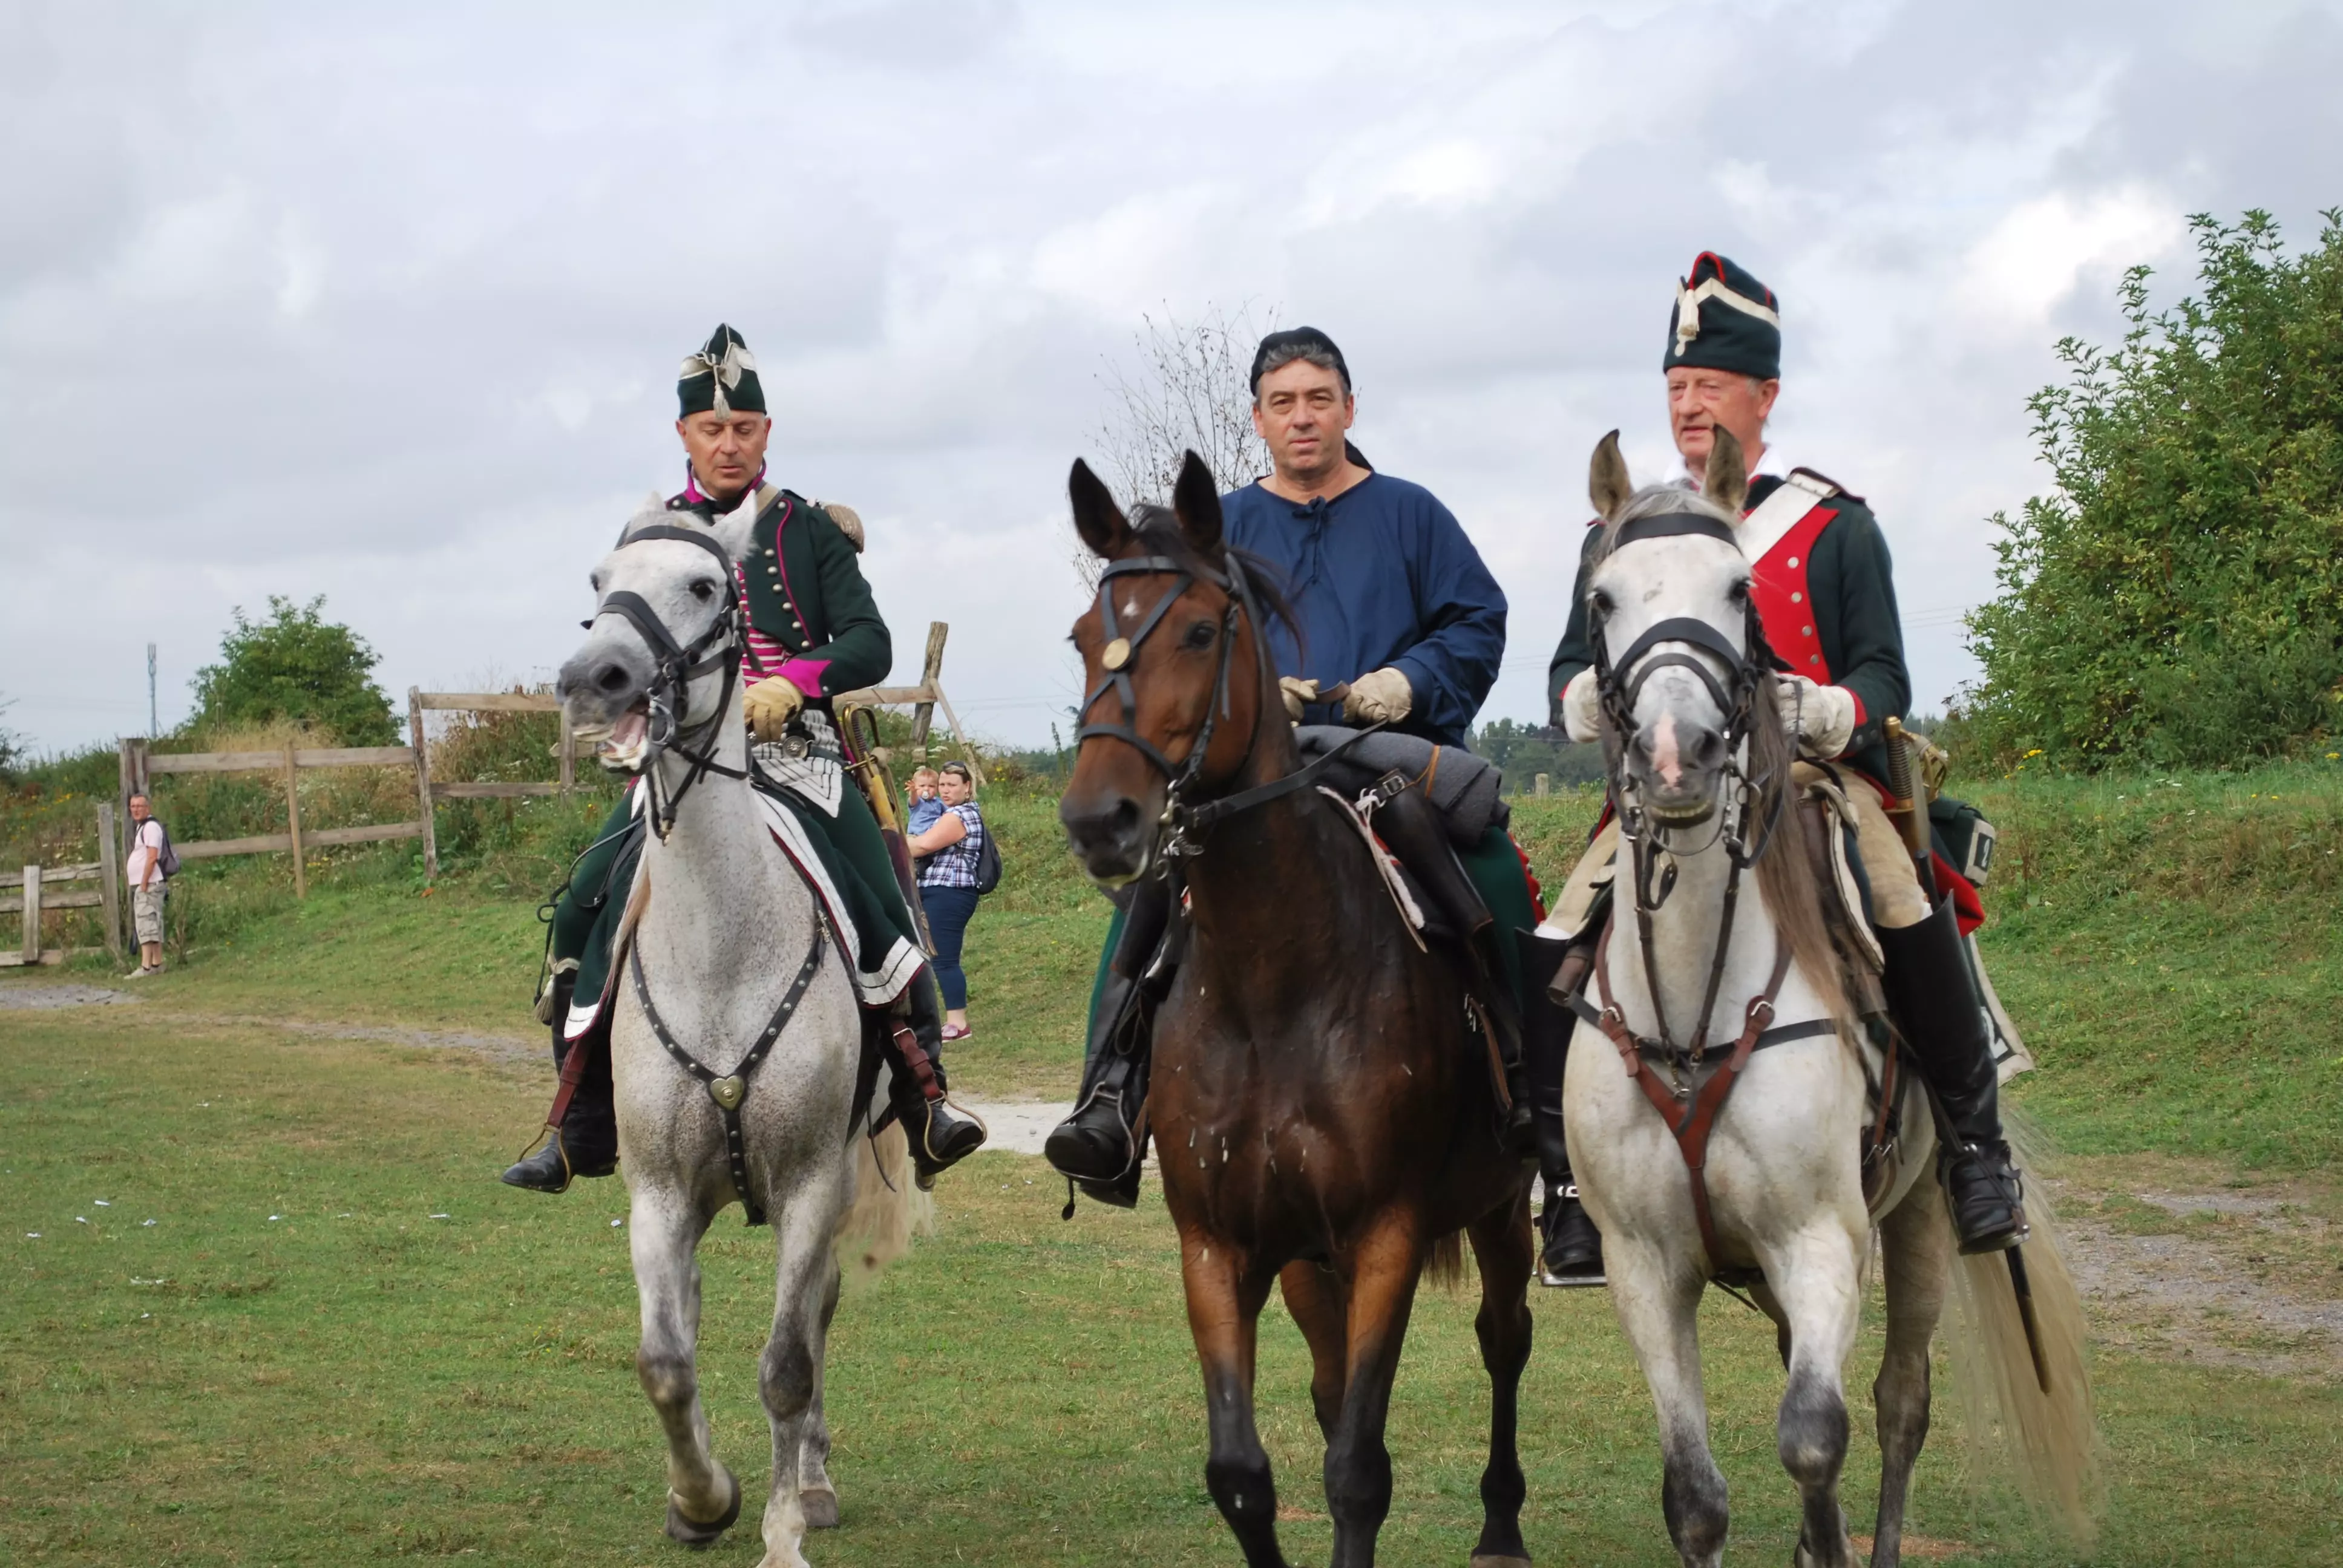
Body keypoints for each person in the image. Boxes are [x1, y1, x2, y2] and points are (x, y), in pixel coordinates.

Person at [1538, 253, 2026, 1269]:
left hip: (1812, 783)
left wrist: (1826, 708)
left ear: (1764, 394)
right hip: (1665, 791)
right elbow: (1567, 664)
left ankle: (1975, 1149)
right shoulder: (1627, 533)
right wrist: (1580, 696)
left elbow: (1885, 675)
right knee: (1557, 926)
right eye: (1676, 387)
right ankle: (1568, 1174)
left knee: (1899, 891)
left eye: (1709, 385)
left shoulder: (1832, 525)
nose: (1689, 404)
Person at [1046, 325, 1539, 1195]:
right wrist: (1247, 694)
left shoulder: (1413, 514)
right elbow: (1175, 642)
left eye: (1319, 400)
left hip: (1387, 751)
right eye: (1284, 404)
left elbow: (1477, 621)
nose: (1303, 418)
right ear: (1259, 420)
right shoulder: (1219, 526)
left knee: (1493, 870)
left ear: (1349, 409)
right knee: (1150, 894)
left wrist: (1407, 678)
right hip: (1255, 771)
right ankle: (1110, 1099)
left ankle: (1537, 1105)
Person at [503, 323, 986, 1195]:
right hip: (683, 767)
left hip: (797, 759)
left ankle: (924, 1099)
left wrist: (796, 683)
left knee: (878, 897)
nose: (730, 444)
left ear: (767, 432)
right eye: (713, 430)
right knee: (583, 905)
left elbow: (869, 643)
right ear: (684, 436)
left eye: (747, 428)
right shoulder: (653, 534)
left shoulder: (806, 529)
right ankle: (577, 1120)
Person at [911, 760, 985, 1040]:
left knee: (944, 959)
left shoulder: (961, 815)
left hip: (951, 892)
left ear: (967, 787)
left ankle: (958, 1023)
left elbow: (923, 845)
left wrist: (893, 840)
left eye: (952, 785)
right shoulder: (945, 812)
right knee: (932, 957)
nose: (945, 790)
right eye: (942, 784)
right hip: (936, 890)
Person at [123, 792, 169, 978]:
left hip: (149, 884)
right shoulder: (143, 827)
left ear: (148, 808)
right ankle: (158, 963)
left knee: (146, 923)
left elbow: (152, 857)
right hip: (148, 883)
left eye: (140, 806)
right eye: (133, 806)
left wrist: (143, 883)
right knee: (153, 922)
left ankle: (146, 967)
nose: (136, 810)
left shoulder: (150, 828)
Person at [905, 766, 944, 837]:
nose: (926, 789)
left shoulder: (939, 802)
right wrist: (913, 792)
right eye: (922, 786)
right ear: (916, 786)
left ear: (937, 788)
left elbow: (949, 813)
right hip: (915, 835)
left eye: (931, 786)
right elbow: (913, 799)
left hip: (932, 836)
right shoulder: (918, 802)